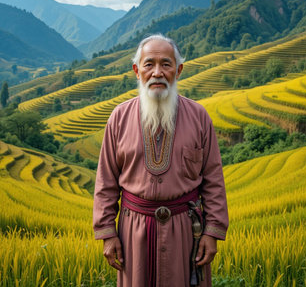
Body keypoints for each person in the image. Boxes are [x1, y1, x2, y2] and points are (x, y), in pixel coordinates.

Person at [93, 34, 229, 287]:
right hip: (133, 232)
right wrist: (107, 233)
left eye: (166, 64)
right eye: (149, 64)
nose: (157, 72)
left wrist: (212, 232)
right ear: (137, 70)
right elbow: (106, 182)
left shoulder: (199, 116)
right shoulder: (119, 118)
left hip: (186, 232)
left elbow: (213, 180)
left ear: (178, 70)